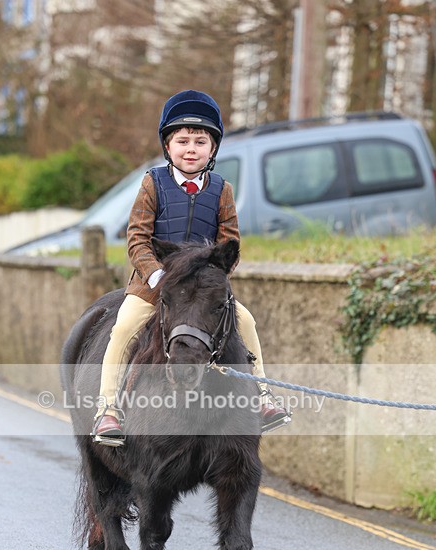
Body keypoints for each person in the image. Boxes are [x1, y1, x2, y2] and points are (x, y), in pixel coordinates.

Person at [92, 89, 290, 445]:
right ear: (168, 146)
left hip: (200, 290)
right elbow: (137, 237)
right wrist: (158, 275)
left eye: (200, 141)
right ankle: (108, 410)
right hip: (152, 285)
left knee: (246, 321)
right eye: (182, 140)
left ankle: (262, 397)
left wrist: (211, 279)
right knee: (122, 330)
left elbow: (230, 242)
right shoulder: (153, 183)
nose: (190, 148)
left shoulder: (222, 189)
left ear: (212, 149)